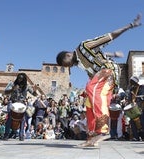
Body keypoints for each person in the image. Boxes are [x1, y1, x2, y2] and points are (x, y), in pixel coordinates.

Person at [56, 14, 142, 146]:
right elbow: (100, 55)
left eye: (67, 64)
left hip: (108, 71)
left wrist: (130, 26)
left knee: (91, 88)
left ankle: (103, 130)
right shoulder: (80, 63)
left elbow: (110, 36)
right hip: (101, 77)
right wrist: (113, 54)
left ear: (68, 55)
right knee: (89, 103)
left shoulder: (84, 46)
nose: (70, 66)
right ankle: (92, 135)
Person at [3, 73, 37, 141]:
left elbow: (34, 94)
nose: (20, 80)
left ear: (24, 79)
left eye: (21, 78)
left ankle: (21, 135)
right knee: (10, 118)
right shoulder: (12, 84)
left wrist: (35, 90)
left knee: (22, 119)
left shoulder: (27, 86)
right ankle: (6, 135)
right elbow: (5, 92)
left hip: (21, 104)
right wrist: (12, 89)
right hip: (12, 102)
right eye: (19, 78)